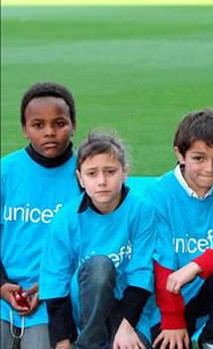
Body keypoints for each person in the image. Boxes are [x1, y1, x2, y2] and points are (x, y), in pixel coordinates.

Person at [147, 108, 213, 349]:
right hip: (168, 301)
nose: (210, 168)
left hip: (209, 290)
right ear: (180, 154)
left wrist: (195, 267)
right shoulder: (157, 195)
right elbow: (162, 265)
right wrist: (173, 320)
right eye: (199, 158)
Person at [38, 131, 157, 349]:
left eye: (110, 172)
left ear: (124, 173)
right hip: (86, 310)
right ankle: (90, 343)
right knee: (100, 265)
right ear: (80, 179)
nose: (102, 181)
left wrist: (127, 325)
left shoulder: (142, 210)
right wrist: (61, 342)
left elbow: (142, 272)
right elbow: (55, 279)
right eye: (92, 174)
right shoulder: (66, 219)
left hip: (132, 310)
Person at [0, 82, 80, 349]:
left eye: (59, 123)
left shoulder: (87, 175)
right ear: (24, 129)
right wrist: (2, 285)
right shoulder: (6, 171)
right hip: (4, 293)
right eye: (38, 125)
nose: (49, 132)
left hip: (55, 299)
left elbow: (92, 249)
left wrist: (47, 285)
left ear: (73, 125)